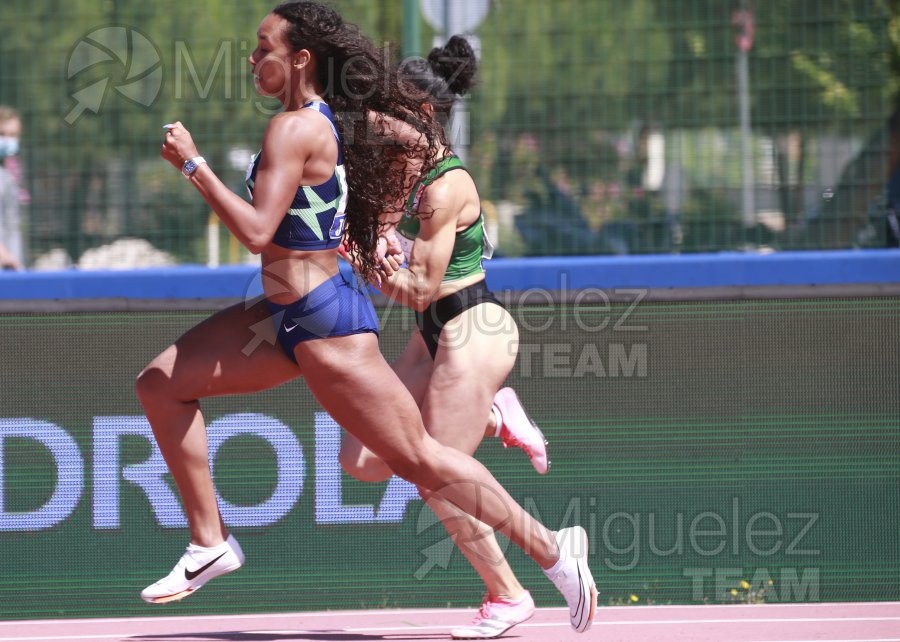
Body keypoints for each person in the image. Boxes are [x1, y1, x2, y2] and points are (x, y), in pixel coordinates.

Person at [135, 1, 596, 633]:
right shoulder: (331, 121)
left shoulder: (294, 128)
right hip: (279, 317)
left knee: (418, 459)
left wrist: (193, 165)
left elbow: (254, 231)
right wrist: (371, 225)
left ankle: (550, 548)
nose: (252, 58)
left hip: (324, 321)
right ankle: (209, 543)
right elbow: (415, 145)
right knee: (161, 384)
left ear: (301, 58)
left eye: (263, 48)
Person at [338, 36, 550, 640]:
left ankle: (508, 596)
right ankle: (492, 414)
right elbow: (391, 247)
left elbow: (421, 288)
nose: (383, 125)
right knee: (361, 458)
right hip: (434, 339)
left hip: (472, 331)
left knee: (437, 480)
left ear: (423, 116)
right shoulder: (405, 171)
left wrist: (366, 261)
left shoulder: (447, 183)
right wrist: (371, 240)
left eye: (394, 113)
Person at [0, 106, 24, 270]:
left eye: (13, 135)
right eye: (2, 134)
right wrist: (4, 256)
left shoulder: (6, 176)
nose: (8, 140)